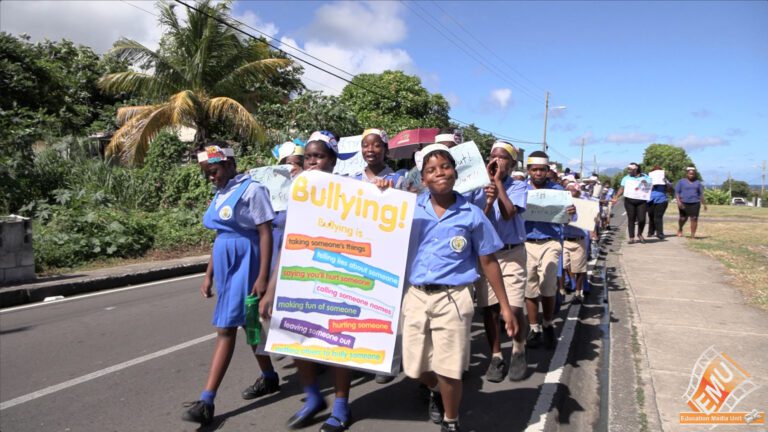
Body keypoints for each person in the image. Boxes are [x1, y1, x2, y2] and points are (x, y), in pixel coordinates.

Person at [403, 143, 518, 432]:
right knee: (415, 366)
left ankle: (451, 421)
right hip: (416, 295)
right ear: (424, 178)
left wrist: (505, 307)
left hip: (454, 298)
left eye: (445, 167)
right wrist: (381, 191)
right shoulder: (408, 208)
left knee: (449, 367)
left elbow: (489, 261)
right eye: (431, 170)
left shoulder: (472, 214)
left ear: (456, 173)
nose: (439, 172)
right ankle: (434, 391)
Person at [259, 131, 359, 432]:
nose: (313, 161)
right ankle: (314, 397)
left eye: (319, 156)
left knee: (337, 344)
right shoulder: (297, 195)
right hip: (300, 278)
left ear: (332, 160)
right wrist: (271, 289)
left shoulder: (351, 192)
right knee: (295, 337)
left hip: (338, 277)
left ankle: (341, 406)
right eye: (309, 156)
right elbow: (290, 243)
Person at [182, 143, 275, 426]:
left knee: (226, 328)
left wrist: (262, 276)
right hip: (225, 265)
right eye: (208, 174)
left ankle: (207, 399)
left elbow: (265, 232)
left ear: (231, 165)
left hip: (247, 261)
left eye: (215, 171)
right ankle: (269, 376)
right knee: (249, 324)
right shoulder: (221, 193)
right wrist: (209, 273)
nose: (212, 177)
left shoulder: (252, 190)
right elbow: (221, 235)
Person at [465, 141, 529, 382]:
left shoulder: (518, 185)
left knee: (512, 307)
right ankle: (495, 356)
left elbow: (509, 212)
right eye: (493, 156)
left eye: (502, 158)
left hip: (511, 253)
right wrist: (488, 198)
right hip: (487, 255)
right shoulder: (476, 187)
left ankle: (519, 348)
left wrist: (499, 183)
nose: (496, 161)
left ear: (511, 164)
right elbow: (474, 218)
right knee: (490, 309)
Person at [524, 151, 575, 350]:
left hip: (551, 241)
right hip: (527, 242)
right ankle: (534, 327)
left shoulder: (558, 191)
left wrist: (571, 212)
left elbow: (568, 218)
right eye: (534, 169)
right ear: (528, 170)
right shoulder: (522, 190)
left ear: (548, 171)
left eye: (542, 170)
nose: (538, 173)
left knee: (547, 284)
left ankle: (547, 323)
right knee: (529, 286)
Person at [406, 128, 461, 193]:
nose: (439, 173)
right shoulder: (415, 173)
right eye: (446, 148)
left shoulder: (472, 172)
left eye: (456, 148)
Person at [563, 182, 591, 303]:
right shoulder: (562, 204)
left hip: (578, 240)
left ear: (578, 192)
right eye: (568, 190)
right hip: (564, 240)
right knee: (563, 267)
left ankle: (578, 293)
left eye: (573, 190)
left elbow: (589, 219)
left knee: (578, 269)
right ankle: (562, 290)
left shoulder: (584, 204)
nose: (570, 192)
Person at [611, 163, 651, 244]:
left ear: (635, 169)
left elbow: (649, 188)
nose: (628, 170)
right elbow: (622, 189)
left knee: (642, 219)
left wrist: (645, 183)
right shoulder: (626, 178)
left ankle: (639, 234)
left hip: (641, 201)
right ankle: (631, 237)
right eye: (628, 169)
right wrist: (616, 197)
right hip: (629, 201)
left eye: (630, 169)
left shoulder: (645, 177)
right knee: (631, 218)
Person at [675, 167, 707, 238]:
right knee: (683, 218)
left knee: (694, 218)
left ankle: (693, 235)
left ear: (695, 174)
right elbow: (677, 192)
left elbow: (701, 194)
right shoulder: (681, 181)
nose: (691, 175)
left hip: (695, 203)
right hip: (683, 202)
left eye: (693, 174)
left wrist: (704, 204)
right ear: (687, 174)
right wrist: (679, 202)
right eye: (690, 174)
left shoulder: (698, 183)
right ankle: (680, 229)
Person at [646, 165, 672, 240]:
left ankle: (660, 233)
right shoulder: (648, 179)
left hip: (661, 200)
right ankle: (651, 232)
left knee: (658, 217)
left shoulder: (664, 179)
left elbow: (670, 189)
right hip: (650, 200)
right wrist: (650, 184)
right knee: (651, 216)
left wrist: (665, 182)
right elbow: (643, 189)